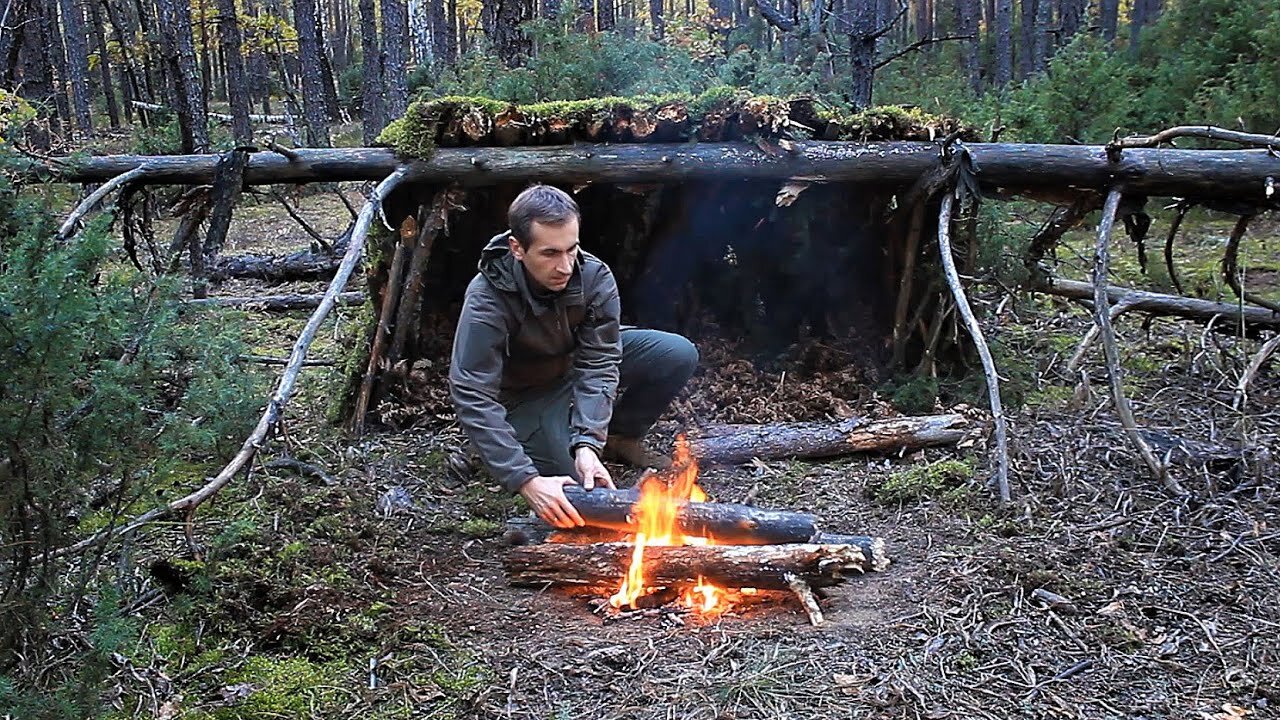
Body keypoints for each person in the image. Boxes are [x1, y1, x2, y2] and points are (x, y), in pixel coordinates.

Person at [449, 185, 699, 529]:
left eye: (572, 249)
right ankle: (522, 444)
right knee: (574, 491)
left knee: (677, 353)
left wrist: (588, 444)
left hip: (573, 366)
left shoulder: (594, 276)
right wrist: (526, 480)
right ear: (517, 249)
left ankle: (619, 437)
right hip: (525, 395)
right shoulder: (486, 299)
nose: (565, 266)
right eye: (550, 253)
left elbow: (599, 361)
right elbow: (472, 393)